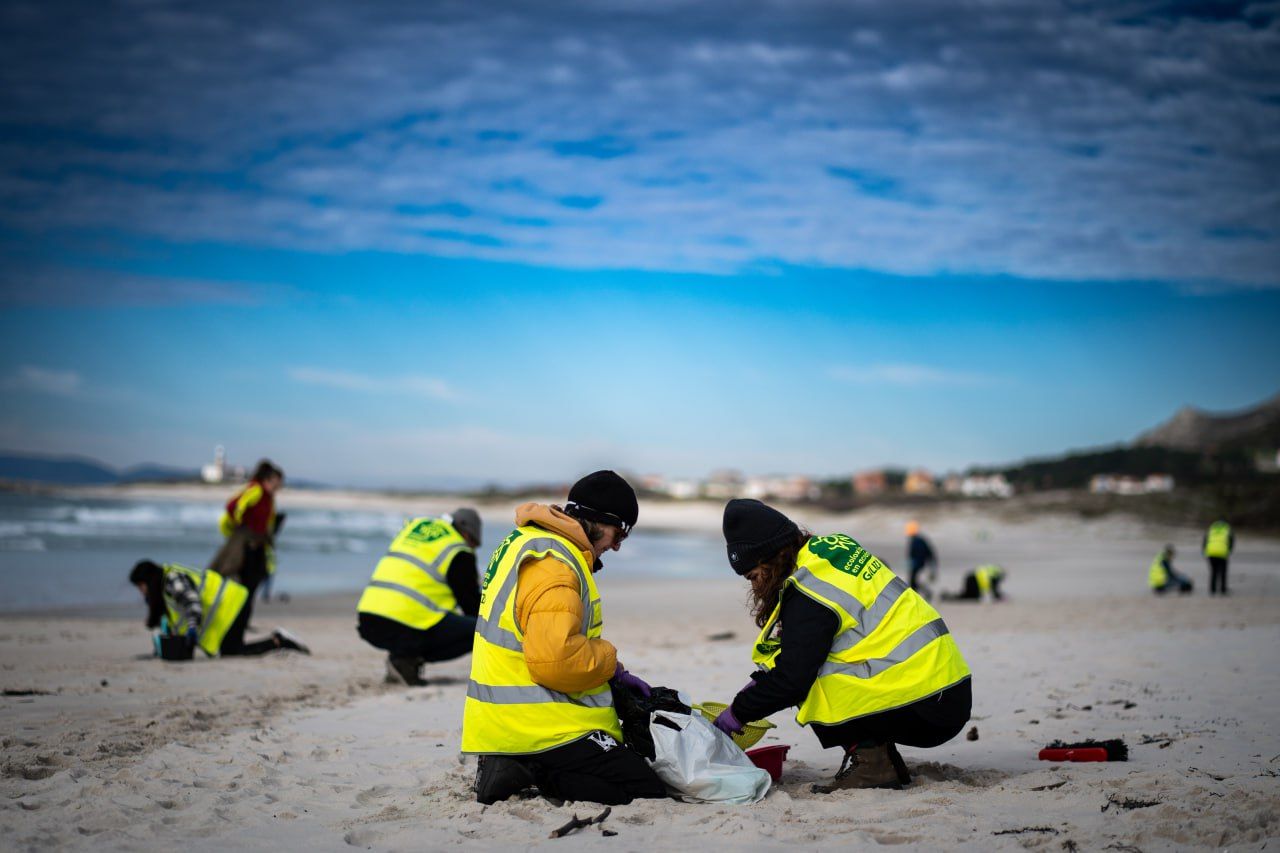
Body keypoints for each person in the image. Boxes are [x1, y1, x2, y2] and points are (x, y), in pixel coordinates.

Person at [714, 499, 971, 791]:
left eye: (753, 576)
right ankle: (883, 759)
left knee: (811, 681)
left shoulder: (809, 592)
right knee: (814, 661)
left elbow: (792, 680)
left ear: (767, 559)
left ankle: (871, 762)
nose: (755, 587)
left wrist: (737, 714)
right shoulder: (831, 553)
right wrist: (758, 687)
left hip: (927, 706)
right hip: (947, 687)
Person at [462, 470, 666, 806]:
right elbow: (556, 664)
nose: (615, 546)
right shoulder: (555, 564)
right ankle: (524, 770)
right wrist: (608, 658)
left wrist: (616, 675)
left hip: (508, 719)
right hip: (536, 726)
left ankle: (518, 762)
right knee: (643, 787)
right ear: (597, 521)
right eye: (619, 534)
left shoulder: (528, 542)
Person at [356, 508, 484, 686]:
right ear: (466, 533)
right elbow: (472, 607)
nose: (472, 549)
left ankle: (402, 658)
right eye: (473, 543)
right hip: (406, 623)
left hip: (368, 619)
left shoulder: (416, 528)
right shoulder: (457, 550)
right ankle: (405, 661)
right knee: (483, 629)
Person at [129, 560, 309, 657]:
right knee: (232, 650)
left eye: (140, 586)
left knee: (233, 651)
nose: (141, 591)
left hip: (234, 604)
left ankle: (280, 639)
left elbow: (193, 604)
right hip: (233, 603)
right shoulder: (167, 584)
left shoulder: (171, 580)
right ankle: (279, 640)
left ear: (148, 581)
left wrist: (192, 629)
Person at [210, 460, 284, 622]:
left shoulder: (268, 497)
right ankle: (233, 620)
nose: (280, 485)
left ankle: (240, 620)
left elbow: (266, 522)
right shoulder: (256, 490)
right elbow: (232, 506)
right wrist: (241, 527)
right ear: (269, 479)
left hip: (257, 546)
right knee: (241, 585)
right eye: (278, 481)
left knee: (248, 586)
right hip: (246, 545)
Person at [904, 520, 937, 599]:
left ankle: (920, 595)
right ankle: (922, 594)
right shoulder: (918, 540)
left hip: (918, 564)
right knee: (915, 581)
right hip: (919, 564)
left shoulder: (917, 541)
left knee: (914, 582)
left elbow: (920, 554)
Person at [941, 564, 1006, 602]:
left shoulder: (993, 570)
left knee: (967, 596)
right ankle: (948, 597)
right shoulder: (996, 576)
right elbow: (994, 589)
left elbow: (992, 587)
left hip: (971, 578)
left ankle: (947, 596)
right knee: (969, 597)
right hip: (973, 580)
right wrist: (1000, 597)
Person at [1202, 519, 1234, 596]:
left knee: (1213, 571)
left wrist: (1205, 551)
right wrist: (1229, 551)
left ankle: (1212, 589)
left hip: (1211, 553)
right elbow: (1231, 542)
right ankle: (1223, 589)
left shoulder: (1211, 530)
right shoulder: (1227, 530)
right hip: (1222, 553)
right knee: (1223, 572)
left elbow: (1204, 542)